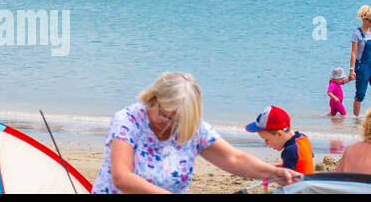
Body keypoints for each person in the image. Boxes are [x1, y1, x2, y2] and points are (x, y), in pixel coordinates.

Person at [92, 72, 302, 193]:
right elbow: (121, 177)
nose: (171, 125)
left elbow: (233, 158)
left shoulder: (192, 126)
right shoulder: (128, 120)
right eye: (165, 116)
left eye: (179, 119)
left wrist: (274, 173)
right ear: (152, 100)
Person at [244, 106, 313, 174]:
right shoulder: (303, 138)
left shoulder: (289, 151)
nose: (266, 143)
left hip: (299, 184)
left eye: (267, 139)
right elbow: (303, 163)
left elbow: (287, 178)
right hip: (310, 181)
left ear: (279, 134)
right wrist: (273, 168)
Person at [350, 6, 371, 117]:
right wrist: (351, 70)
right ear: (364, 20)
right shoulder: (357, 33)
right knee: (360, 95)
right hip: (362, 66)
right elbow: (354, 53)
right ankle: (356, 120)